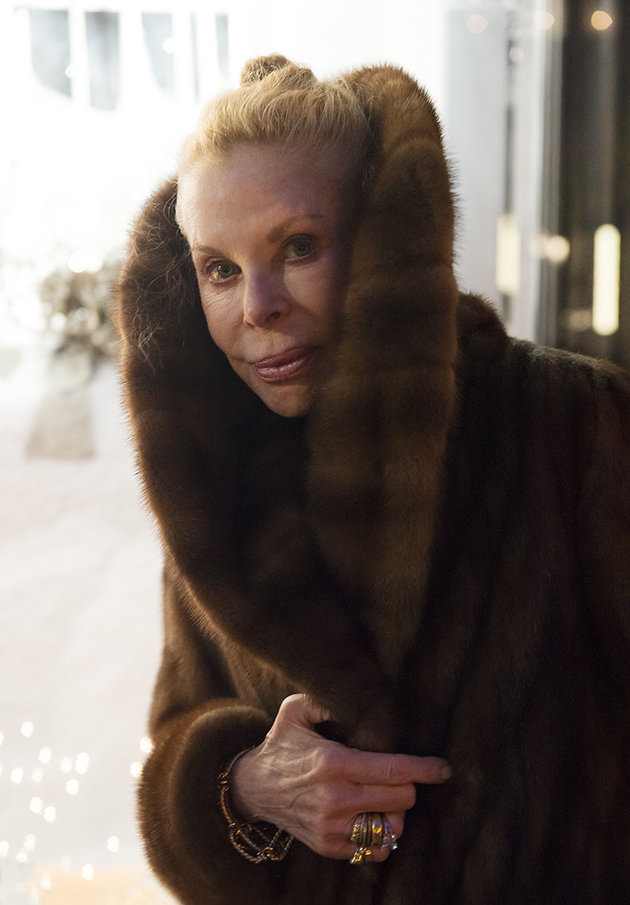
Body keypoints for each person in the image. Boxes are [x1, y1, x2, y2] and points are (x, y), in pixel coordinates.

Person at [114, 55, 630, 905]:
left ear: (385, 237)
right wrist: (241, 786)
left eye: (299, 246)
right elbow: (177, 730)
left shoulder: (574, 425)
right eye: (220, 268)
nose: (258, 306)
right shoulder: (217, 497)